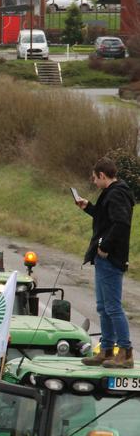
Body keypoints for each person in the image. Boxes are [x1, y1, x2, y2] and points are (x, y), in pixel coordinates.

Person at [76, 156, 135, 369]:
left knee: (113, 307)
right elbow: (106, 218)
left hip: (110, 258)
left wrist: (105, 246)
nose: (93, 181)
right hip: (104, 259)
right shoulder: (111, 193)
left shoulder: (117, 193)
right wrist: (88, 207)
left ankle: (125, 353)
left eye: (94, 178)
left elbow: (121, 223)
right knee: (103, 307)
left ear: (102, 175)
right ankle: (107, 349)